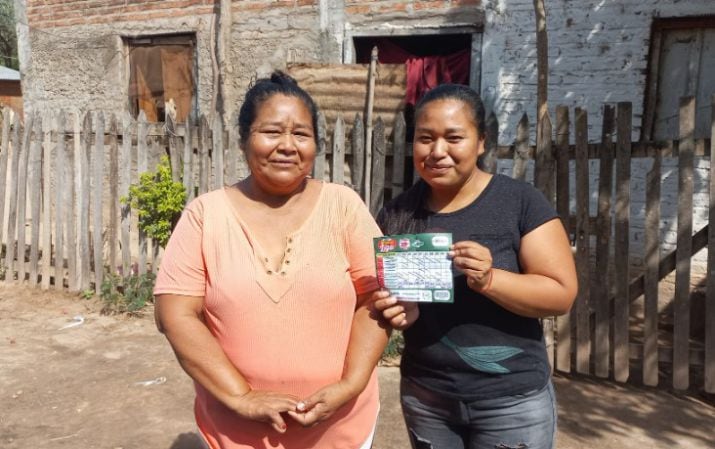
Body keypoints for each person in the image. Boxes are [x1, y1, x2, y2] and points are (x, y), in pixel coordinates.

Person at [153, 71, 389, 449]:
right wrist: (240, 396)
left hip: (340, 427)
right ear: (245, 139)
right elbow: (175, 314)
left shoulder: (343, 206)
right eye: (272, 131)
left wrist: (350, 385)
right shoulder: (205, 215)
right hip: (237, 433)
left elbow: (376, 298)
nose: (287, 145)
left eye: (301, 134)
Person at [373, 84, 578, 449]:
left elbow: (560, 295)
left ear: (481, 141)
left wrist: (490, 279)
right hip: (428, 397)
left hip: (512, 402)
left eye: (454, 138)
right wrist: (394, 311)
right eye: (425, 138)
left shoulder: (519, 203)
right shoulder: (396, 214)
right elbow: (380, 295)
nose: (438, 152)